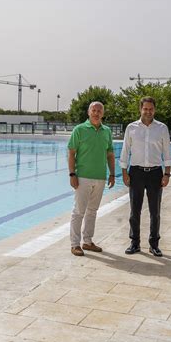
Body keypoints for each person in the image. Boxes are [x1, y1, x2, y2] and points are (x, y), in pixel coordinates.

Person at [119, 96, 171, 257]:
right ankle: (134, 243)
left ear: (154, 110)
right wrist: (124, 172)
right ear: (140, 109)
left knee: (155, 212)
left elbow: (167, 151)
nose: (148, 112)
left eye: (151, 109)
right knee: (134, 211)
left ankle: (154, 244)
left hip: (155, 173)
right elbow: (125, 150)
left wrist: (167, 173)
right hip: (135, 172)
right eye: (145, 109)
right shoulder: (131, 127)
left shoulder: (162, 128)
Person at [68, 101, 115, 256]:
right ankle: (75, 244)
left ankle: (87, 241)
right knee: (79, 211)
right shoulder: (79, 129)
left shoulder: (107, 131)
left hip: (100, 177)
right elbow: (71, 153)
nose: (96, 113)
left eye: (99, 111)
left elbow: (109, 154)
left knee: (92, 211)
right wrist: (72, 174)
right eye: (94, 110)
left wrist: (113, 174)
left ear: (103, 113)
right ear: (89, 112)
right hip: (82, 177)